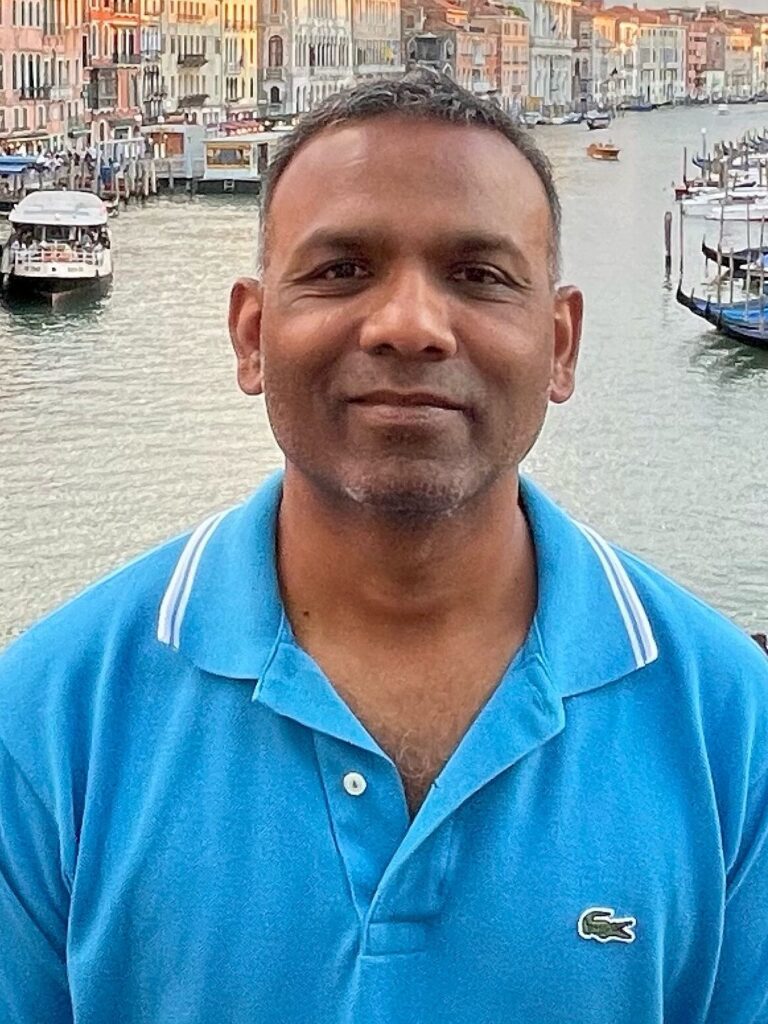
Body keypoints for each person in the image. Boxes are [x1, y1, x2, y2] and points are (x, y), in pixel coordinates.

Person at [0, 71, 767, 1024]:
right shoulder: (45, 721)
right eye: (341, 271)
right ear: (252, 335)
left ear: (560, 344)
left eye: (479, 276)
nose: (409, 325)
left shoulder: (732, 725)